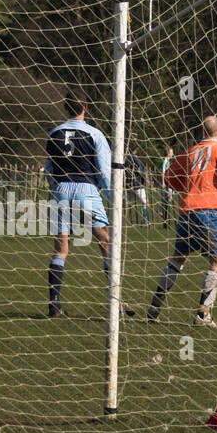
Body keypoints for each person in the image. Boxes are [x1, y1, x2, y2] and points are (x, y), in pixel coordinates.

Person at [146, 115, 217, 328]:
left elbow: (169, 178)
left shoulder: (190, 152)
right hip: (210, 211)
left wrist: (189, 189)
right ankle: (203, 315)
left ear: (201, 132)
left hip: (187, 211)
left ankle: (155, 306)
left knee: (178, 259)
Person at [43, 89, 129, 318]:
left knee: (61, 249)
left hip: (61, 190)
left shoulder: (53, 133)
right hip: (86, 191)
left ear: (65, 108)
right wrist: (114, 199)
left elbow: (49, 169)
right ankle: (117, 303)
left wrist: (56, 188)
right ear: (86, 107)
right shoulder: (95, 134)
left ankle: (54, 304)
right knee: (106, 242)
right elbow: (103, 170)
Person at [126, 144, 149, 225]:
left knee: (125, 203)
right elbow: (141, 170)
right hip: (138, 184)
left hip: (128, 185)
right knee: (145, 202)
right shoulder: (137, 159)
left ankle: (117, 219)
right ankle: (145, 220)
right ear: (135, 150)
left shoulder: (126, 159)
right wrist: (145, 179)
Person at [159, 145, 177, 226]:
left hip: (168, 182)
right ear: (168, 153)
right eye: (172, 152)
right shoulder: (165, 161)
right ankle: (160, 210)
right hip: (165, 183)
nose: (173, 153)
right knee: (167, 198)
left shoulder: (168, 161)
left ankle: (162, 211)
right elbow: (162, 172)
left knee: (168, 198)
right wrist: (163, 182)